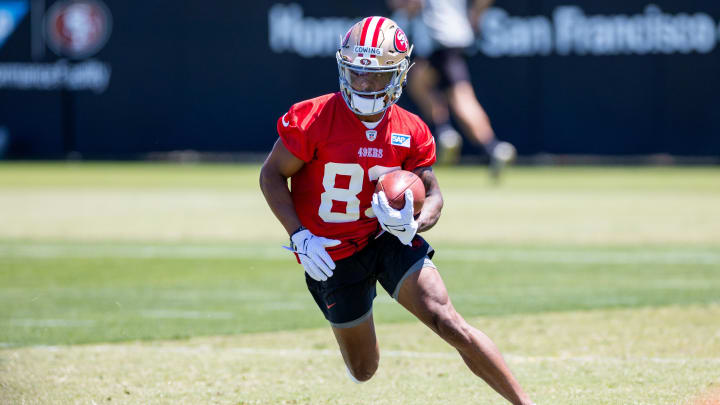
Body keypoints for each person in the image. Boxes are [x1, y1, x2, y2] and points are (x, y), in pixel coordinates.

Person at [259, 17, 534, 405]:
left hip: (386, 238)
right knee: (363, 368)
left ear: (400, 74)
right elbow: (271, 175)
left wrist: (413, 223)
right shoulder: (313, 117)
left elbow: (435, 194)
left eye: (378, 76)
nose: (366, 85)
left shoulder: (412, 128)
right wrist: (298, 235)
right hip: (329, 253)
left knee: (449, 322)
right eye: (357, 74)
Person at [389, 0, 516, 178]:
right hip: (454, 37)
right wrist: (475, 15)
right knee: (420, 80)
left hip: (440, 38)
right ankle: (450, 133)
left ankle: (487, 145)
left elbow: (410, 5)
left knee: (460, 96)